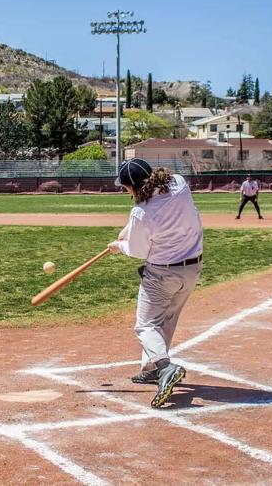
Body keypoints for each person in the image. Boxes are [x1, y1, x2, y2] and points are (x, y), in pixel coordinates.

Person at [107, 159, 203, 409]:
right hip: (192, 269)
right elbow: (154, 210)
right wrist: (128, 228)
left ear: (134, 187)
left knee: (146, 325)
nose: (125, 190)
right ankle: (151, 369)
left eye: (126, 187)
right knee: (167, 319)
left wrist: (119, 246)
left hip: (162, 274)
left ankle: (165, 367)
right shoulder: (179, 184)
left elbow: (138, 250)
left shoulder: (141, 212)